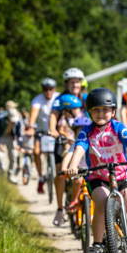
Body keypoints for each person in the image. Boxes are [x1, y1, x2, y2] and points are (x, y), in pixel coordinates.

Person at [66, 88, 127, 253]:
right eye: (96, 110)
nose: (101, 113)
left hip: (122, 176)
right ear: (89, 112)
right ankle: (98, 244)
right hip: (98, 178)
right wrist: (73, 165)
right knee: (102, 201)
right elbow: (79, 149)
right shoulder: (86, 131)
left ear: (113, 111)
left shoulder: (118, 127)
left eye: (105, 110)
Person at [49, 68, 88, 225]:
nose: (75, 84)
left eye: (77, 81)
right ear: (66, 84)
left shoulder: (85, 98)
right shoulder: (60, 99)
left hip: (83, 139)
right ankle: (60, 209)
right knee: (60, 172)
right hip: (65, 139)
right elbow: (53, 115)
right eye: (72, 82)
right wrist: (53, 130)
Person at [27, 78, 60, 193]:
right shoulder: (37, 100)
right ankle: (41, 177)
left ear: (54, 89)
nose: (48, 92)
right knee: (36, 152)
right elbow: (33, 114)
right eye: (46, 89)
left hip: (56, 131)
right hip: (41, 131)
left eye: (50, 89)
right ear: (42, 90)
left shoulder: (58, 97)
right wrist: (31, 127)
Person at [0, 101, 23, 184]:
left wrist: (19, 144)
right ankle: (1, 175)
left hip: (10, 137)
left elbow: (19, 134)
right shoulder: (0, 119)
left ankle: (11, 175)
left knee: (13, 156)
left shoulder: (17, 120)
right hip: (0, 137)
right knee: (0, 156)